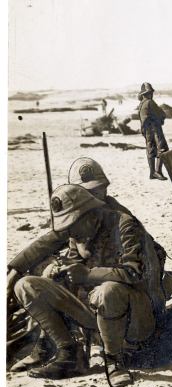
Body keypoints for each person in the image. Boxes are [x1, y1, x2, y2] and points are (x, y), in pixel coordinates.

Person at [10, 184, 170, 387]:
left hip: (135, 318)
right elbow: (74, 270)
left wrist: (87, 275)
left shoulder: (125, 225)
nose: (70, 233)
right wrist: (60, 273)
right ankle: (69, 353)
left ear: (90, 214)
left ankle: (114, 361)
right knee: (27, 286)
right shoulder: (78, 235)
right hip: (96, 313)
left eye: (72, 224)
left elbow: (135, 272)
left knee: (108, 290)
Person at [7, 158, 137, 372]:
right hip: (87, 290)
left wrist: (84, 273)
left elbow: (131, 270)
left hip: (113, 299)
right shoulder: (78, 213)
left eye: (99, 190)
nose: (95, 197)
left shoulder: (121, 219)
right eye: (87, 191)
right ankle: (50, 342)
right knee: (42, 272)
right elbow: (49, 241)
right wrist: (16, 268)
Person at [137, 82, 169, 180]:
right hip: (155, 128)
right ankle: (158, 171)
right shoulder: (150, 102)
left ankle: (152, 173)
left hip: (146, 129)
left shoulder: (141, 104)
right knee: (162, 149)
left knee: (150, 149)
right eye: (150, 92)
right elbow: (162, 114)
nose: (151, 94)